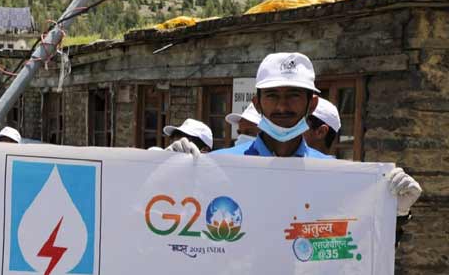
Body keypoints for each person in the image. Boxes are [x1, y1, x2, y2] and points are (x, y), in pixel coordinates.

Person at [173, 52, 423, 217]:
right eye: (272, 95)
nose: (282, 106)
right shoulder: (220, 166)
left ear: (311, 104)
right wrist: (168, 173)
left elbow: (358, 245)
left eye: (293, 95)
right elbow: (177, 226)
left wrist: (396, 214)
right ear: (257, 104)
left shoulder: (333, 175)